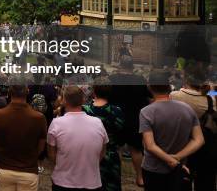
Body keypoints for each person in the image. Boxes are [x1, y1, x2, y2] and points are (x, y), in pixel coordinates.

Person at [140, 70, 205, 191]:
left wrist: (171, 160)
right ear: (169, 86)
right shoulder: (187, 108)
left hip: (154, 169)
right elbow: (199, 139)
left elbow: (150, 146)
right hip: (180, 168)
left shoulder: (146, 112)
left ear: (149, 86)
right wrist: (178, 158)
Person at [47, 86, 108, 191]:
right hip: (91, 182)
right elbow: (102, 152)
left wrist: (64, 165)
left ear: (63, 101)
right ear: (83, 100)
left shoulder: (56, 123)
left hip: (63, 181)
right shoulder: (97, 122)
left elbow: (51, 154)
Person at [170, 65, 216, 191]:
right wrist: (211, 89)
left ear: (186, 80)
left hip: (182, 144)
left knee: (182, 181)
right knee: (205, 182)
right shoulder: (209, 99)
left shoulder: (174, 95)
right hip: (205, 147)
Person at [108, 55, 151, 187]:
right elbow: (148, 98)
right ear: (132, 66)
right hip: (135, 119)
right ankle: (140, 177)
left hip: (116, 118)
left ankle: (117, 177)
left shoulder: (112, 79)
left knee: (116, 149)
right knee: (136, 150)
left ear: (120, 65)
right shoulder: (140, 80)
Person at [82, 78, 125, 191]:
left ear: (94, 91)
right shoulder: (116, 111)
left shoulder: (84, 110)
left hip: (88, 155)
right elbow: (121, 135)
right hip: (110, 157)